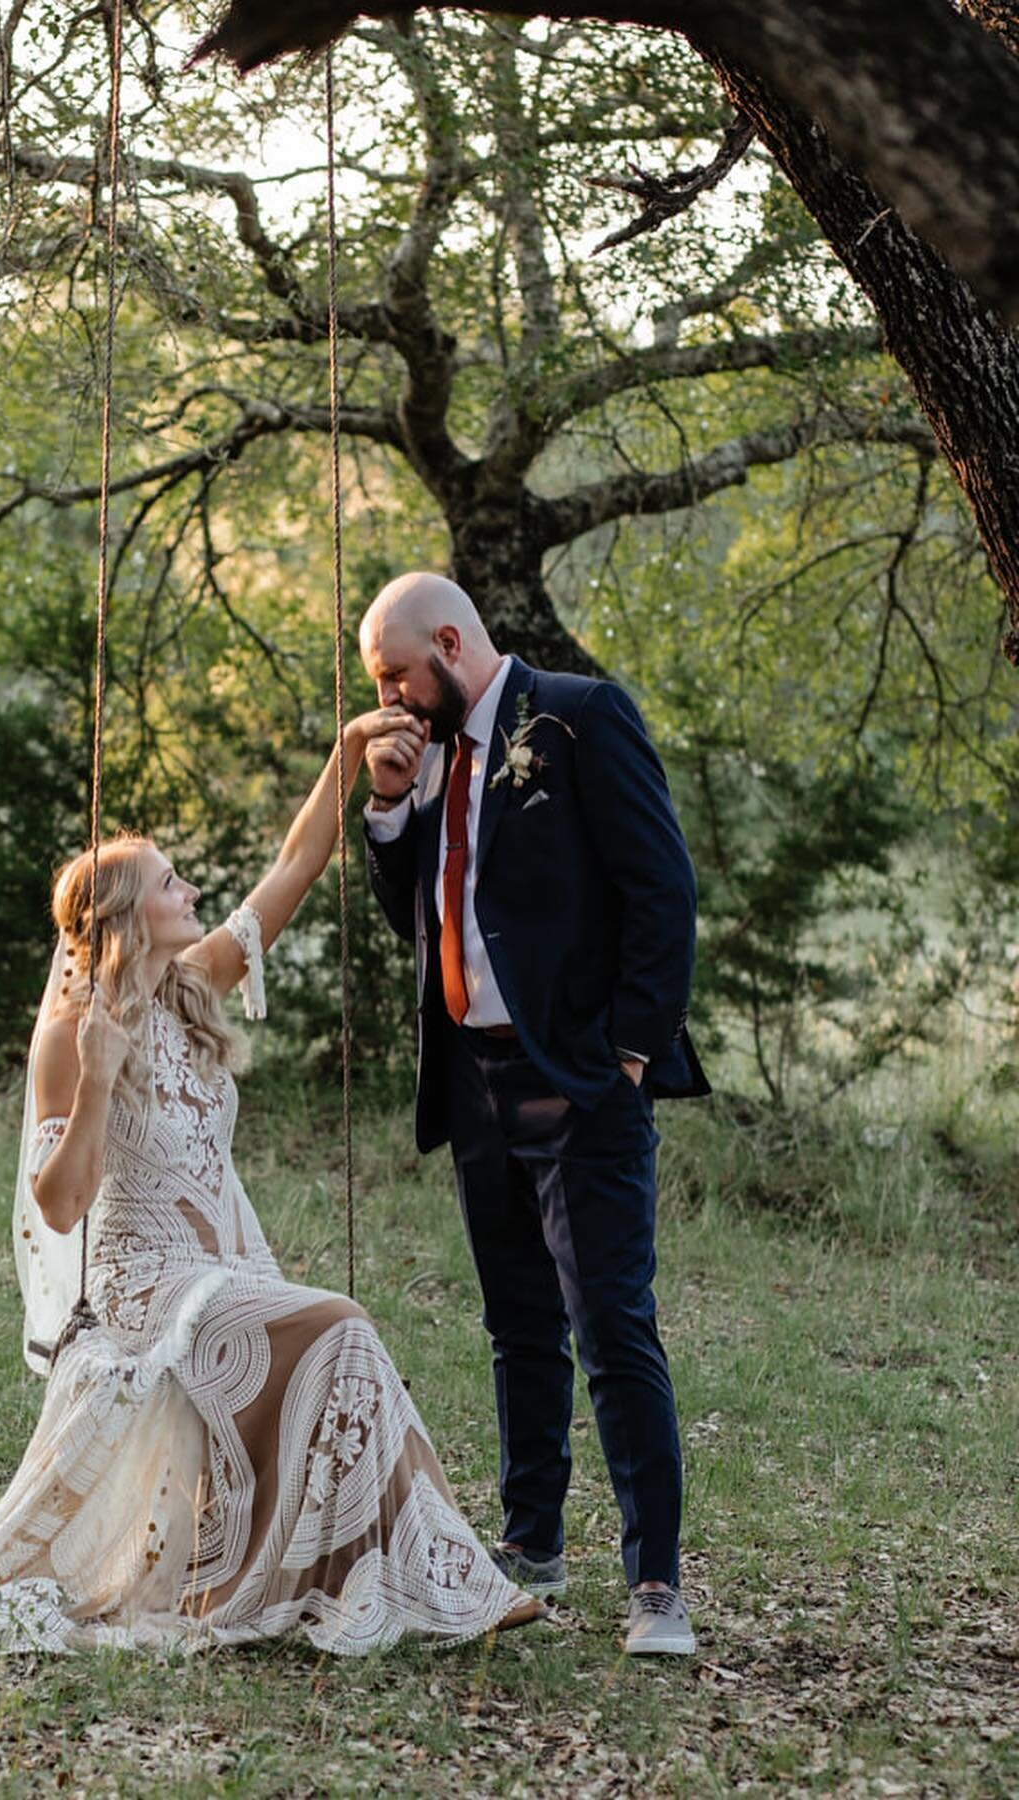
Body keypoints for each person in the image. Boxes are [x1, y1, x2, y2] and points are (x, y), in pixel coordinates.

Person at [0, 707, 543, 1654]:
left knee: (343, 1337)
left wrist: (347, 756)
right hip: (146, 1284)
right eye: (169, 882)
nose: (190, 890)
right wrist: (101, 1079)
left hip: (223, 1262)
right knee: (342, 1324)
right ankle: (451, 1583)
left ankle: (408, 1578)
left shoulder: (191, 982)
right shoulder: (75, 1032)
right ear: (122, 916)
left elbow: (295, 869)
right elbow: (59, 1204)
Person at [359, 572, 710, 1657]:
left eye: (395, 677)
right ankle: (531, 1543)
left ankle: (655, 1583)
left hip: (581, 1078)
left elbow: (664, 890)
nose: (388, 699)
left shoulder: (578, 716)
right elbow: (421, 917)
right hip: (473, 1080)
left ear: (450, 644)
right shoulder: (431, 765)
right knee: (517, 1325)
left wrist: (632, 1053)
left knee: (612, 1329)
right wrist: (386, 808)